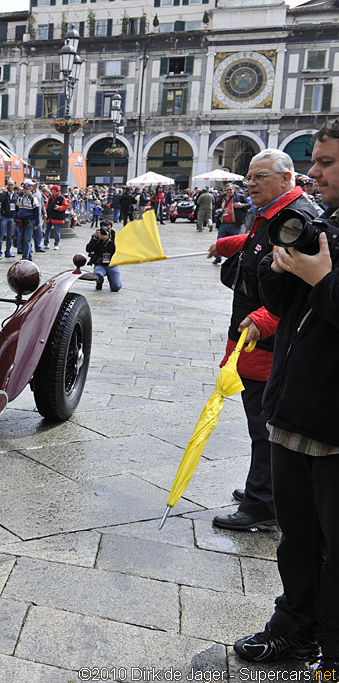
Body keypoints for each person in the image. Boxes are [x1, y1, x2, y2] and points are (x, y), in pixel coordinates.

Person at [232, 119, 339, 680]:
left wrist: (323, 279)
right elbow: (285, 304)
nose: (313, 172)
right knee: (297, 538)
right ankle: (293, 629)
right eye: (313, 160)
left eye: (325, 163)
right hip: (295, 408)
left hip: (332, 423)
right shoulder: (325, 224)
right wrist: (284, 267)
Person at [206, 148, 319, 532]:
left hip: (267, 343)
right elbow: (263, 249)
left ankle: (264, 503)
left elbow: (297, 286)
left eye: (260, 177)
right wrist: (231, 245)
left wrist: (262, 319)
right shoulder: (273, 213)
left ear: (287, 179)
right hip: (252, 336)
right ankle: (263, 486)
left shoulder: (296, 218)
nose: (250, 183)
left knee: (265, 424)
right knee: (259, 421)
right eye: (248, 177)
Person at [214, 184, 251, 261]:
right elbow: (217, 206)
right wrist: (217, 210)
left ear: (234, 189)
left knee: (234, 243)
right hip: (223, 223)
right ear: (225, 190)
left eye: (230, 189)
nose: (229, 191)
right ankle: (218, 257)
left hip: (235, 224)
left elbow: (249, 205)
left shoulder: (239, 197)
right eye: (227, 190)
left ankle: (233, 259)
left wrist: (242, 206)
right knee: (220, 241)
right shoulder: (222, 197)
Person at [86, 219, 121, 292]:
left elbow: (118, 251)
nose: (106, 231)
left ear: (111, 228)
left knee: (116, 287)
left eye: (108, 229)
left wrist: (108, 241)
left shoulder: (116, 237)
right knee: (98, 274)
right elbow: (88, 249)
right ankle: (99, 283)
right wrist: (95, 239)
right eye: (104, 229)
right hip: (100, 263)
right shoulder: (96, 237)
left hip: (112, 264)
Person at [14, 180, 39, 261]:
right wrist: (15, 220)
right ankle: (29, 257)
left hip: (29, 222)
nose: (25, 190)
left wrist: (36, 223)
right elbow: (16, 210)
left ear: (30, 190)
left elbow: (37, 212)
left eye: (27, 189)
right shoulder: (20, 199)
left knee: (27, 240)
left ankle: (25, 258)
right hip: (21, 222)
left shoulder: (33, 199)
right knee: (22, 240)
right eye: (24, 189)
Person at [44, 184, 70, 251]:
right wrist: (45, 212)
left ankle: (56, 244)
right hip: (50, 216)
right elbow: (47, 205)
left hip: (57, 217)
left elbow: (66, 206)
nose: (51, 191)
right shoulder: (51, 197)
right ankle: (46, 243)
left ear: (56, 191)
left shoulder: (61, 198)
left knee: (57, 231)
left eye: (52, 190)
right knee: (47, 230)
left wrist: (59, 208)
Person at [0, 180, 17, 257]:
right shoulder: (4, 194)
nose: (10, 186)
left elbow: (17, 206)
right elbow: (1, 200)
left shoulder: (16, 195)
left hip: (12, 217)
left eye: (11, 185)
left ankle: (8, 252)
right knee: (1, 235)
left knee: (10, 236)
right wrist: (6, 193)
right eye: (9, 185)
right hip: (4, 217)